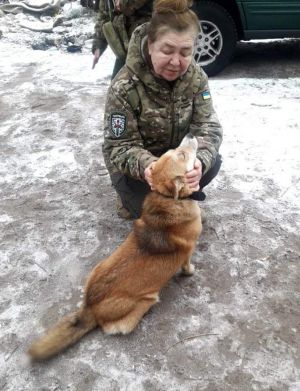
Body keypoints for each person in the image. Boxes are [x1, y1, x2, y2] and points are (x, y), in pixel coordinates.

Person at [102, 0, 223, 219]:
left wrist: (199, 162)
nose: (176, 62)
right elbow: (119, 146)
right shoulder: (124, 86)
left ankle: (181, 196)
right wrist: (149, 168)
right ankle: (128, 197)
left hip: (176, 163)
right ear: (150, 45)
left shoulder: (196, 79)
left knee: (213, 163)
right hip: (140, 173)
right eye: (167, 51)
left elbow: (209, 128)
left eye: (185, 52)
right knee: (153, 215)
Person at [92, 0, 153, 79]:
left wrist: (123, 3)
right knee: (116, 86)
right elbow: (104, 18)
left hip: (149, 49)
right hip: (124, 50)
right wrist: (98, 45)